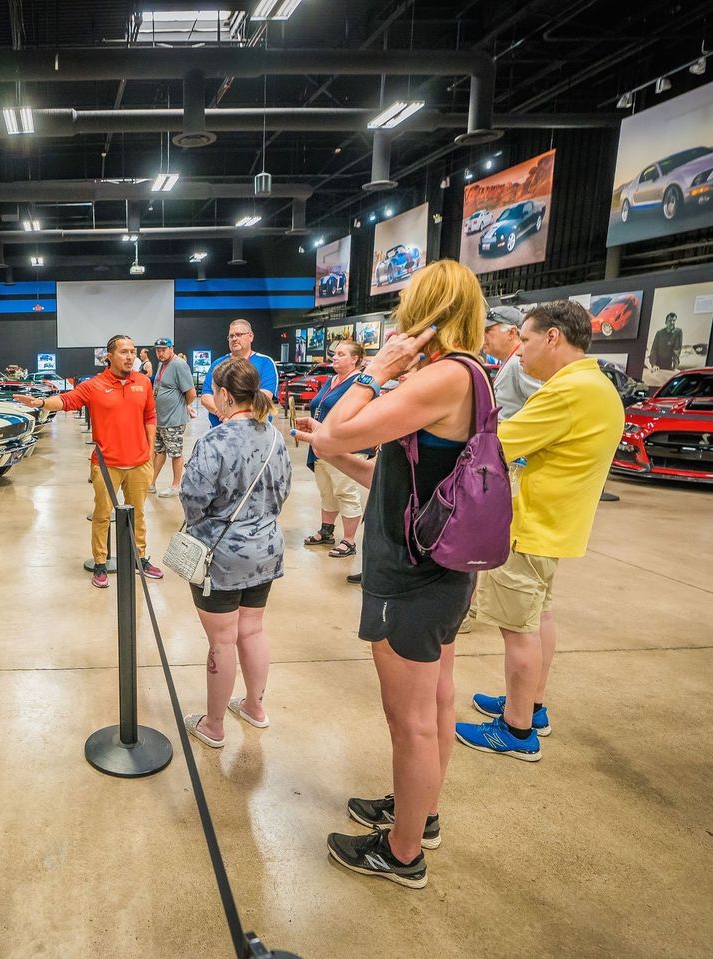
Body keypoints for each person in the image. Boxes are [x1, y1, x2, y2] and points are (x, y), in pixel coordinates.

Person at [292, 259, 487, 889]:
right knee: (434, 705)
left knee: (412, 722)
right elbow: (398, 483)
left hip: (412, 573)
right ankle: (418, 814)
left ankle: (403, 853)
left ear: (427, 311)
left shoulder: (444, 378)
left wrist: (374, 372)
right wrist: (340, 448)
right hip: (434, 563)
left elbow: (333, 434)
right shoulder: (463, 376)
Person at [455, 300, 624, 761]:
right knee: (538, 619)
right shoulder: (595, 384)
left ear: (553, 337)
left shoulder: (566, 391)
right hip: (556, 524)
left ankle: (517, 729)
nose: (520, 352)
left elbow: (498, 446)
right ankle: (530, 704)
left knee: (517, 631)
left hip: (529, 524)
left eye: (525, 341)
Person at [179, 358, 291, 748]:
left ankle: (213, 725)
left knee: (222, 641)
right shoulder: (276, 436)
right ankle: (255, 707)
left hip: (221, 557)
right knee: (253, 629)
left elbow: (193, 500)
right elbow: (283, 491)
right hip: (266, 549)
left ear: (225, 396)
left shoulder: (213, 442)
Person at [14, 335, 164, 588]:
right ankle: (101, 563)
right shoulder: (95, 385)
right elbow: (66, 400)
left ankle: (140, 558)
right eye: (124, 352)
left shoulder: (143, 382)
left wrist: (149, 453)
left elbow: (150, 416)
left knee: (138, 515)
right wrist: (41, 403)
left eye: (133, 352)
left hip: (138, 463)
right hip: (106, 466)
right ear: (109, 356)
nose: (130, 357)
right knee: (102, 515)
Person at [302, 340, 370, 559]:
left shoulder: (360, 383)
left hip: (346, 447)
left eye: (341, 354)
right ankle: (326, 531)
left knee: (345, 491)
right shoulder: (332, 380)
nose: (335, 357)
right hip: (321, 445)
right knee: (326, 490)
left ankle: (349, 540)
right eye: (335, 354)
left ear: (356, 359)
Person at [201, 319, 278, 426]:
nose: (234, 339)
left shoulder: (265, 363)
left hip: (255, 431)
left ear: (250, 336)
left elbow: (264, 397)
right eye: (231, 336)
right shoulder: (218, 364)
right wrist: (223, 415)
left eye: (238, 335)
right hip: (220, 431)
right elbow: (206, 397)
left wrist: (235, 418)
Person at [148, 337, 197, 497]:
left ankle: (176, 485)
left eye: (163, 350)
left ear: (171, 348)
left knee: (175, 452)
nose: (160, 353)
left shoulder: (179, 365)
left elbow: (191, 393)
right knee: (159, 451)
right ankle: (151, 483)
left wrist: (183, 407)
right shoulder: (162, 364)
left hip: (173, 420)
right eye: (158, 350)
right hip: (160, 419)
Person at [482, 305, 541, 420]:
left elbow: (541, 405)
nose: (482, 336)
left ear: (511, 333)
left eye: (488, 330)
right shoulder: (513, 360)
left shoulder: (520, 362)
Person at [648, 311, 683, 376]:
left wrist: (674, 366)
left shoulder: (678, 332)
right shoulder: (659, 333)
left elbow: (677, 350)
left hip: (670, 365)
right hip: (658, 365)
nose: (672, 323)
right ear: (666, 322)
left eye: (674, 321)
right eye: (670, 320)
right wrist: (654, 364)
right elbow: (654, 349)